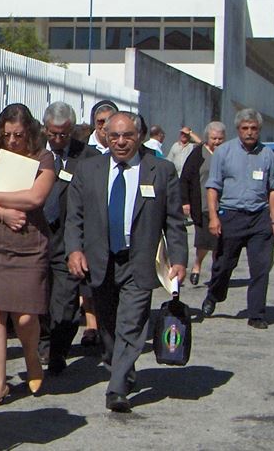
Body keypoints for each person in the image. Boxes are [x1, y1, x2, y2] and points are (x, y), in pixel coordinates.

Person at [65, 111, 187, 413]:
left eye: (128, 136)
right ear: (105, 136)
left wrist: (180, 259)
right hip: (99, 261)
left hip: (138, 260)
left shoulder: (161, 170)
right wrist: (74, 250)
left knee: (132, 324)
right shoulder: (88, 169)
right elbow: (74, 217)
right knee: (108, 327)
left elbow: (174, 221)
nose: (120, 142)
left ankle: (116, 389)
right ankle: (122, 367)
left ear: (140, 136)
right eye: (114, 135)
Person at [0, 103, 55, 406]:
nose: (13, 141)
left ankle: (31, 356)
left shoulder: (43, 157)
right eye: (7, 135)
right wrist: (2, 211)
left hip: (28, 245)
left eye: (18, 135)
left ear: (28, 131)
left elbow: (36, 196)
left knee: (25, 315)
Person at [201, 109, 274, 330]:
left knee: (261, 268)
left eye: (253, 128)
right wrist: (214, 217)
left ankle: (256, 313)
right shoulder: (223, 152)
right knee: (224, 264)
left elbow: (273, 190)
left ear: (259, 130)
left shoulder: (267, 155)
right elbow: (212, 187)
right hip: (231, 215)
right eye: (245, 128)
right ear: (238, 130)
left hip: (259, 218)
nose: (249, 133)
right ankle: (214, 295)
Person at [39, 102, 100, 376]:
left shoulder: (87, 157)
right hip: (38, 237)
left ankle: (58, 350)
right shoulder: (34, 153)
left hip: (69, 238)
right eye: (53, 134)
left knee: (64, 303)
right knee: (38, 298)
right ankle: (42, 342)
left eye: (63, 134)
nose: (58, 139)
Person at [180, 121, 226, 285]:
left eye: (220, 139)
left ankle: (216, 272)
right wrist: (185, 201)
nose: (217, 142)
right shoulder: (198, 153)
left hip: (223, 206)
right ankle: (197, 265)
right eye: (214, 138)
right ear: (207, 137)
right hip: (202, 204)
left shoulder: (227, 154)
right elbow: (185, 178)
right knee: (204, 241)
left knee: (219, 242)